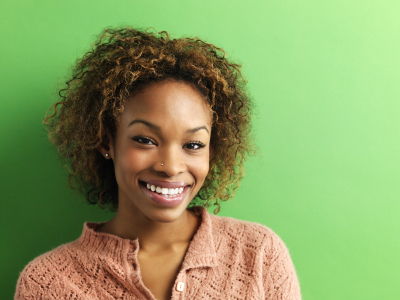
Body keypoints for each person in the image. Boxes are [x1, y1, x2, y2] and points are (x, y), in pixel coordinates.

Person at [14, 27, 301, 300]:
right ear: (106, 142)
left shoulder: (259, 253)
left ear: (211, 152)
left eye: (193, 145)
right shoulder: (48, 283)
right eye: (145, 140)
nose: (171, 166)